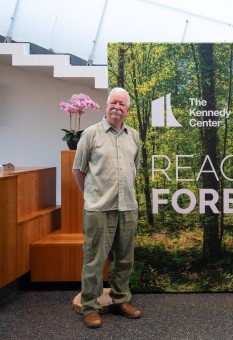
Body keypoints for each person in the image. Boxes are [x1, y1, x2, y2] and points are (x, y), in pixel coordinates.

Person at [73, 87, 141, 328]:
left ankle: (121, 299)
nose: (117, 107)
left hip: (127, 207)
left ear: (128, 110)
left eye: (122, 104)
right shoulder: (91, 134)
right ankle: (90, 306)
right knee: (94, 259)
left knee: (124, 259)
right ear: (106, 104)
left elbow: (135, 169)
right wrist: (91, 197)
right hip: (99, 209)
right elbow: (78, 171)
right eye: (114, 102)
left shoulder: (133, 136)